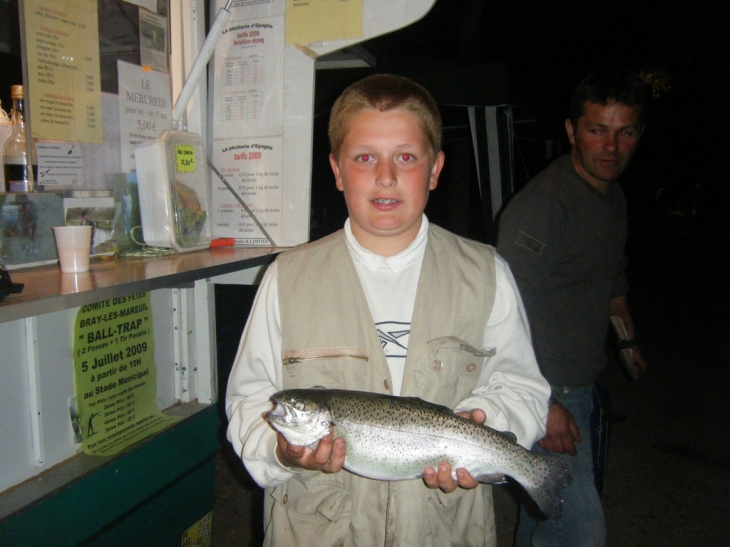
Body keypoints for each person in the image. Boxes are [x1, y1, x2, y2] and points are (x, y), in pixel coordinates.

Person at [226, 74, 551, 547]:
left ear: (435, 168)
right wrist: (281, 452)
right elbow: (250, 401)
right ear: (336, 170)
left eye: (406, 156)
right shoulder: (287, 277)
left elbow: (522, 387)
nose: (385, 175)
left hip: (446, 529)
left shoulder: (486, 273)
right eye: (364, 158)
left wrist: (485, 419)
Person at [496, 69, 650, 547]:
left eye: (624, 132)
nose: (611, 146)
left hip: (580, 387)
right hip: (546, 388)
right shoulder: (544, 206)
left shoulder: (612, 198)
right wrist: (542, 402)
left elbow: (612, 276)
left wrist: (626, 340)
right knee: (581, 531)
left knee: (546, 523)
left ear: (638, 135)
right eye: (597, 129)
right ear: (571, 131)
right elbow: (501, 310)